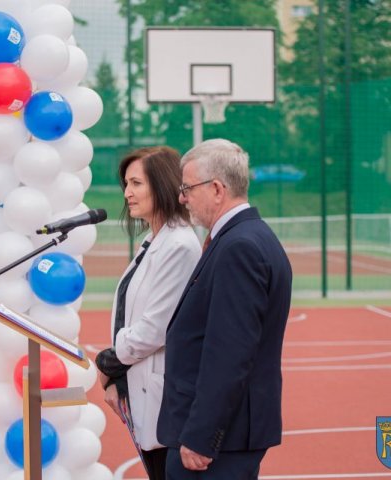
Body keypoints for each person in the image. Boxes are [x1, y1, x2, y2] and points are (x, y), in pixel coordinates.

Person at [157, 139, 293, 479]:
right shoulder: (244, 238)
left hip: (216, 443)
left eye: (187, 188)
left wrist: (203, 436)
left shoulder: (240, 247)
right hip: (223, 437)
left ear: (217, 189)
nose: (182, 197)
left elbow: (229, 352)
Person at [95, 146, 201, 479]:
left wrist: (110, 361)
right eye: (126, 184)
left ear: (163, 184)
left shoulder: (180, 246)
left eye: (137, 183)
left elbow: (154, 328)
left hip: (164, 398)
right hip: (139, 386)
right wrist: (118, 374)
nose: (127, 193)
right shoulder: (153, 242)